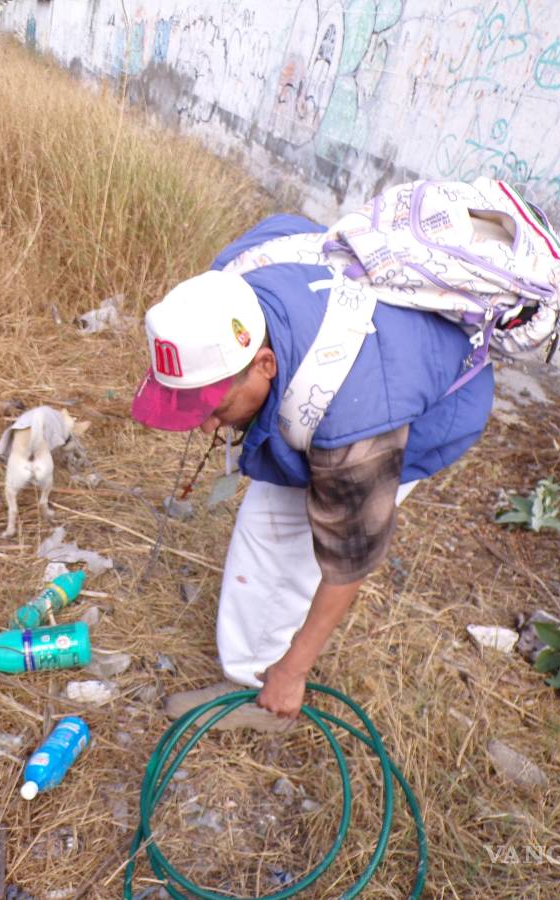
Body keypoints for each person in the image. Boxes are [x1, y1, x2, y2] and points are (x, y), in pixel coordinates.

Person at [130, 213, 495, 730]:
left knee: (295, 536)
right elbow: (288, 224)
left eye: (214, 406)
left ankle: (267, 690)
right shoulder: (232, 284)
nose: (206, 424)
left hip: (428, 404)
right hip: (361, 366)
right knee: (267, 520)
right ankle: (250, 666)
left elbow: (350, 558)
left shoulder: (358, 424)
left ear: (265, 365)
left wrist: (295, 671)